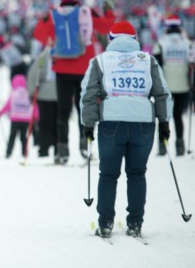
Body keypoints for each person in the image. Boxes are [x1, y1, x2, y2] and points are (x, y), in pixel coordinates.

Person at [80, 21, 172, 238]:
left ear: (111, 40)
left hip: (112, 121)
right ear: (134, 40)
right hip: (143, 123)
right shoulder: (147, 60)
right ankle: (135, 223)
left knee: (108, 174)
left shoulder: (100, 61)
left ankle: (105, 223)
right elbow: (162, 92)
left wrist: (87, 125)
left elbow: (89, 94)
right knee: (137, 174)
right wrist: (165, 121)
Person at [33, 0, 115, 164]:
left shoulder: (54, 14)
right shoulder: (86, 12)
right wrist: (109, 10)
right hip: (84, 66)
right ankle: (85, 146)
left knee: (63, 110)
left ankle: (62, 150)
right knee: (84, 107)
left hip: (61, 67)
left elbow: (38, 34)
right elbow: (107, 27)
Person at [152, 14, 194, 156]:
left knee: (164, 116)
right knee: (178, 115)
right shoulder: (187, 43)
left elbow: (155, 64)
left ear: (167, 27)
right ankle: (180, 145)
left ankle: (163, 145)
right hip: (183, 86)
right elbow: (192, 64)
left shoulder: (161, 42)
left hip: (166, 86)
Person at [0, 74, 39, 158]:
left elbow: (7, 106)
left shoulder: (13, 94)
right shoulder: (28, 94)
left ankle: (8, 152)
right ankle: (24, 153)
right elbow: (34, 105)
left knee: (12, 136)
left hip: (15, 119)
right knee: (24, 137)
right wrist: (36, 116)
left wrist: (0, 113)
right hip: (26, 120)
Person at [26, 48, 58, 157]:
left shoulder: (43, 56)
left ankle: (44, 148)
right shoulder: (65, 53)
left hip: (45, 94)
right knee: (59, 122)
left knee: (44, 123)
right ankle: (59, 148)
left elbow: (35, 73)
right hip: (61, 92)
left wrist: (31, 91)